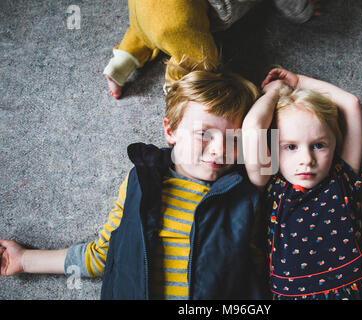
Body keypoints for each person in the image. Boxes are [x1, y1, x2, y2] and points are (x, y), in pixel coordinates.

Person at [0, 64, 270, 300]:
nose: (219, 150)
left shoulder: (246, 191)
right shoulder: (142, 183)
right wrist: (23, 260)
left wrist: (278, 93)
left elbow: (260, 267)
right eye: (203, 134)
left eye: (234, 138)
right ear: (171, 130)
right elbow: (105, 255)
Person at [241, 68, 362, 299]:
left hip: (359, 290)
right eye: (290, 147)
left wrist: (299, 81)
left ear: (334, 144)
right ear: (271, 148)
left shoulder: (342, 176)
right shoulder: (270, 183)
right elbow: (253, 129)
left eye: (318, 145)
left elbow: (350, 103)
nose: (307, 160)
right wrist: (274, 93)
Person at [104, 0, 319, 99]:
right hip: (179, 18)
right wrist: (304, 11)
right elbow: (291, 6)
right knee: (197, 64)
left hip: (141, 7)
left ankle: (120, 64)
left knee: (142, 29)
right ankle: (181, 100)